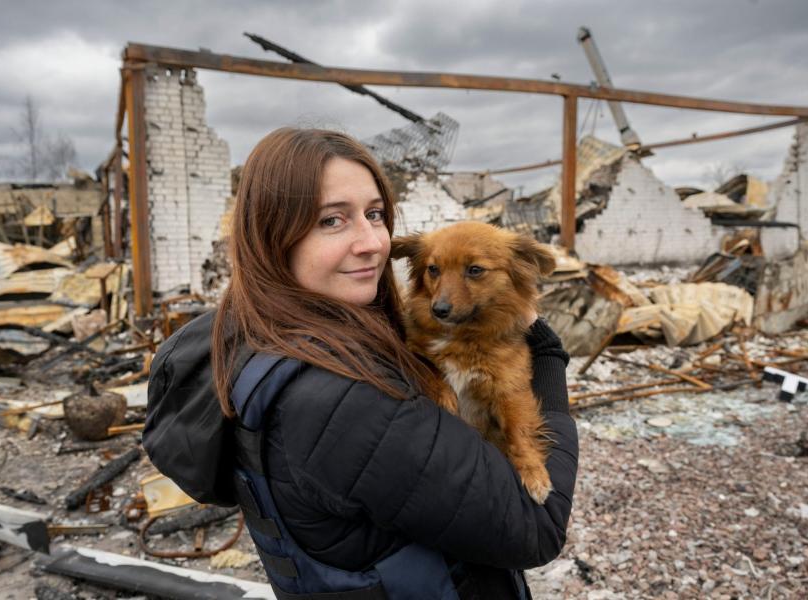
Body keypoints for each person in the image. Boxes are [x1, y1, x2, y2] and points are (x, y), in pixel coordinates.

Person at [143, 128, 578, 600]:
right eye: (332, 220)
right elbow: (535, 527)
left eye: (374, 214)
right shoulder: (343, 400)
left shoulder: (255, 335)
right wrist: (548, 355)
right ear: (273, 236)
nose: (373, 242)